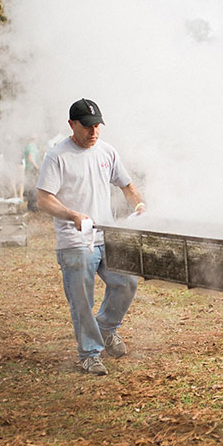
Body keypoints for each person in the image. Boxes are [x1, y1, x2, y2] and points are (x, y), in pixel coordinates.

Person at [36, 98, 145, 376]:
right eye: (87, 126)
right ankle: (90, 353)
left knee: (127, 281)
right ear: (72, 125)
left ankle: (107, 328)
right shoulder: (57, 156)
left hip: (106, 237)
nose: (93, 132)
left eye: (97, 126)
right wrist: (72, 215)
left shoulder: (107, 152)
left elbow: (128, 185)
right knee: (82, 299)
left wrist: (139, 205)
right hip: (75, 242)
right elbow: (43, 200)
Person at [23, 139, 40, 212]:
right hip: (31, 169)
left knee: (30, 187)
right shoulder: (32, 146)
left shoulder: (27, 146)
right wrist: (36, 166)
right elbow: (30, 158)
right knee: (33, 187)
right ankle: (32, 206)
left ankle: (30, 205)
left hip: (27, 169)